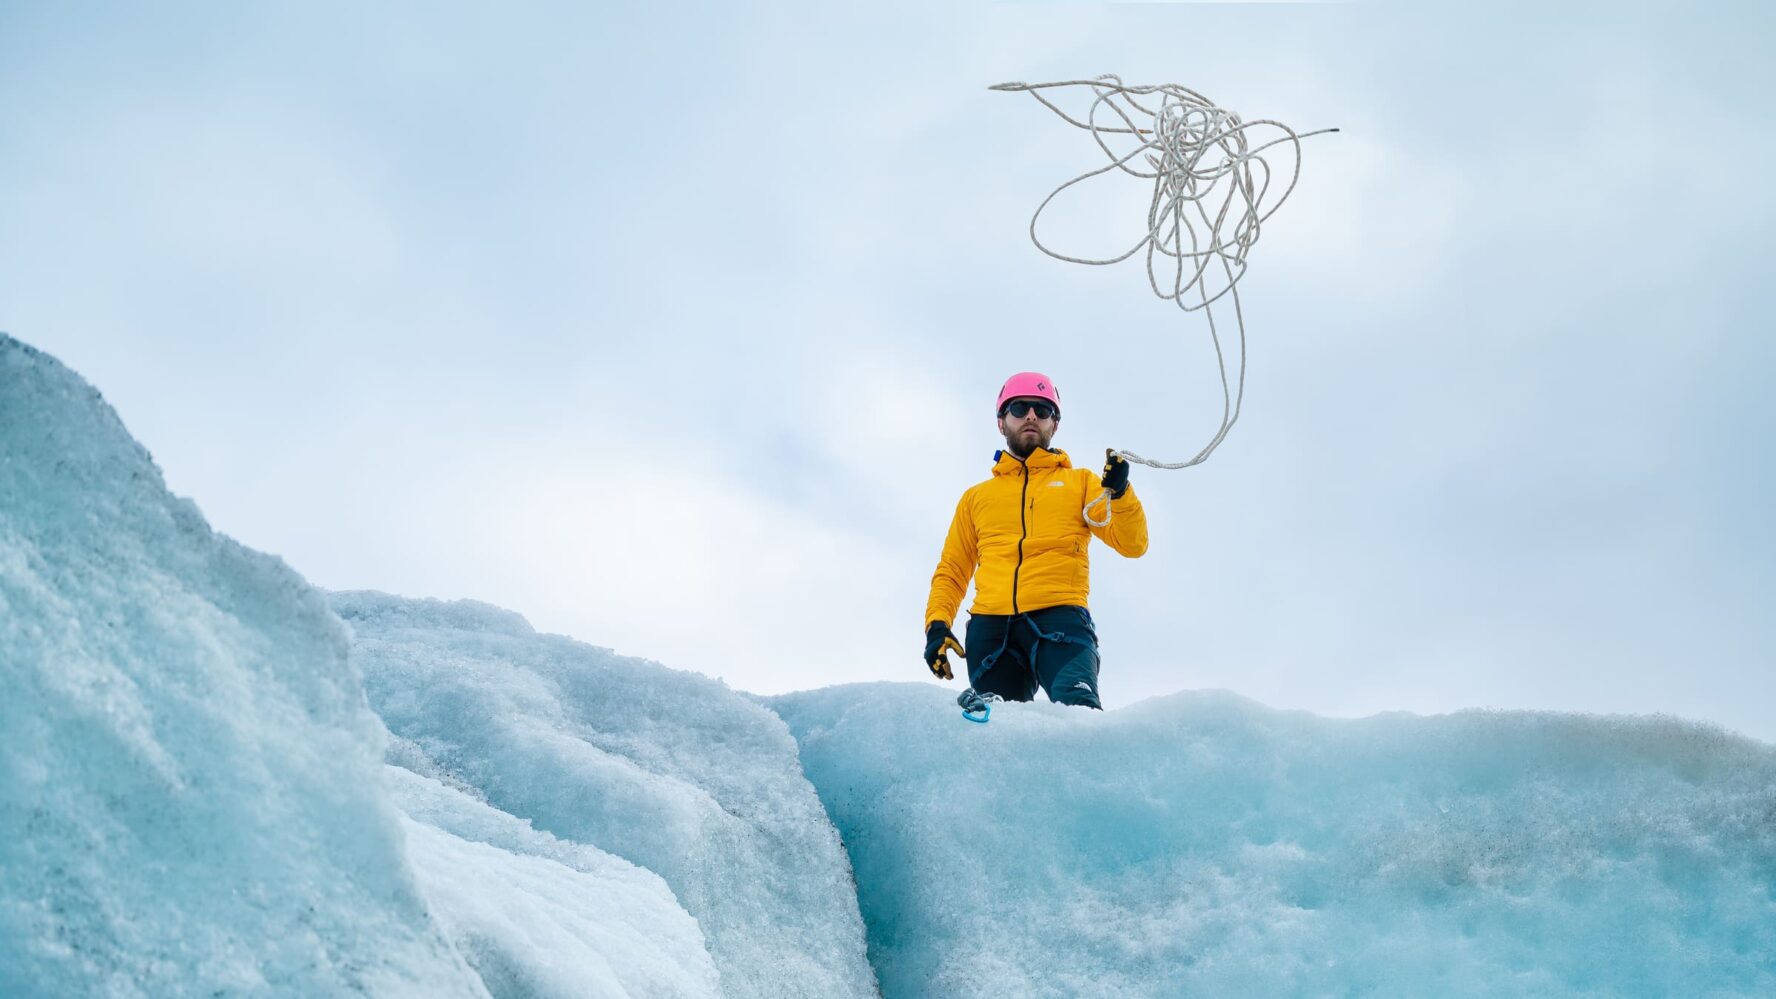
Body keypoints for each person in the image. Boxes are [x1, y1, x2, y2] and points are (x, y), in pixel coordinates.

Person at [923, 372, 1149, 709]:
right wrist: (937, 626)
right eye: (1020, 408)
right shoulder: (976, 498)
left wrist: (1120, 492)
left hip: (1061, 619)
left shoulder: (1082, 483)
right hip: (992, 629)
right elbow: (953, 570)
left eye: (1043, 411)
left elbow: (1133, 544)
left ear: (1054, 425)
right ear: (1001, 422)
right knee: (995, 737)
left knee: (1080, 716)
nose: (1031, 416)